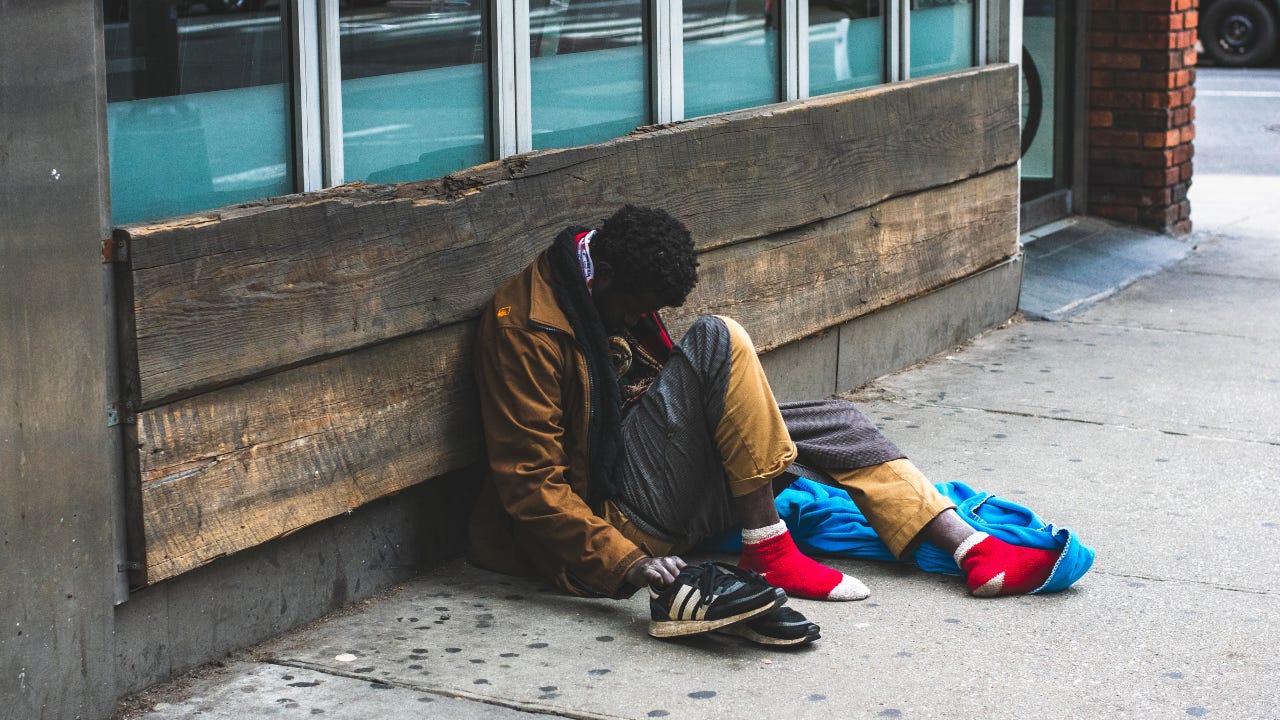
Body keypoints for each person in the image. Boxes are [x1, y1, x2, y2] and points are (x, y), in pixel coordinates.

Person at [467, 205, 1060, 644]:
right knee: (717, 337)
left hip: (651, 476)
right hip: (612, 521)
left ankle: (968, 546)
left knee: (832, 420)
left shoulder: (603, 281)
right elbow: (530, 482)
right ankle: (768, 545)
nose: (636, 320)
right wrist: (630, 564)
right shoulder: (524, 329)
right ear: (607, 277)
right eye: (632, 307)